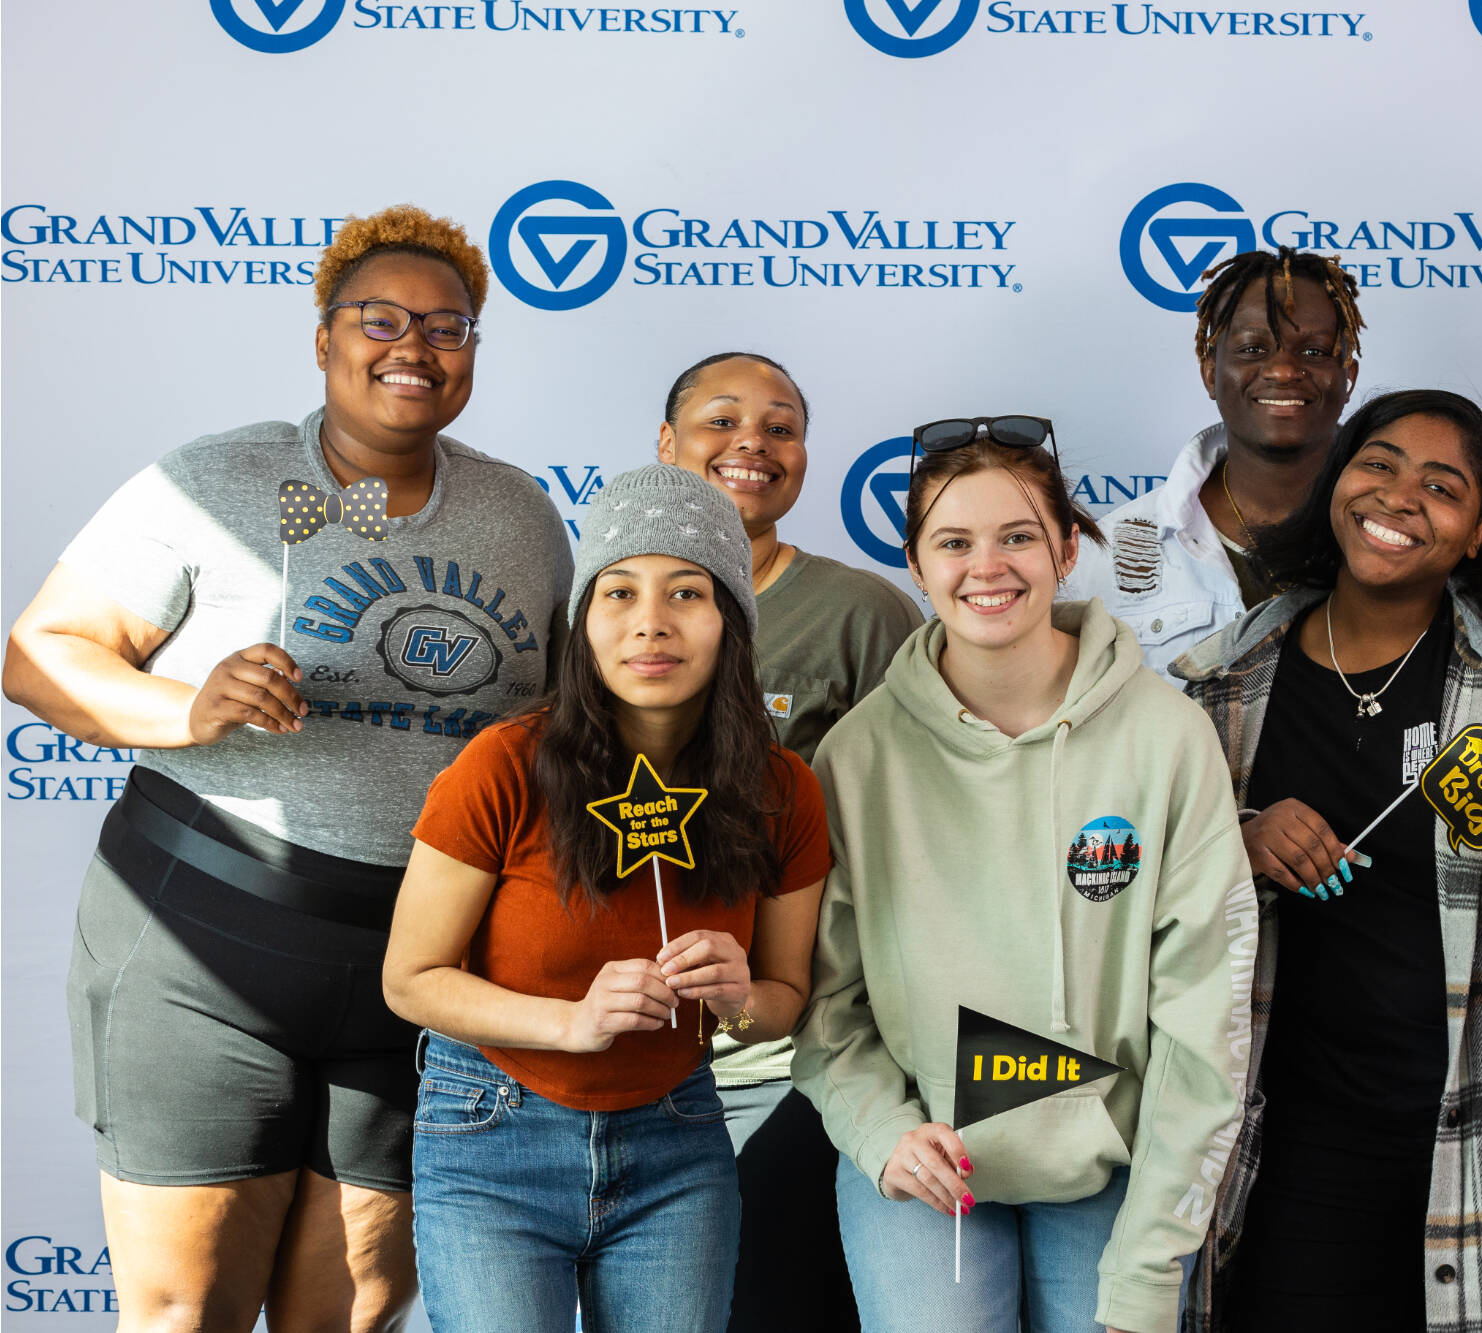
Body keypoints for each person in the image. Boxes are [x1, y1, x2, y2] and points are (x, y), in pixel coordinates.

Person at [0, 205, 569, 1332]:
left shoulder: (520, 513)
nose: (414, 345)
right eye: (380, 317)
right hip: (203, 945)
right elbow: (39, 657)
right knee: (184, 1317)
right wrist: (190, 705)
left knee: (352, 1318)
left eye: (448, 326)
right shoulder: (216, 478)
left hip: (419, 968)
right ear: (323, 337)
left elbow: (549, 730)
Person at [1177, 390, 1482, 1330]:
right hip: (1298, 1151)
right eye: (1378, 464)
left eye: (1441, 486)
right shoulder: (1226, 682)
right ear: (1337, 483)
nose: (1401, 496)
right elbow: (1154, 911)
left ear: (1481, 529)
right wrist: (1237, 840)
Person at [793, 416, 1254, 1333]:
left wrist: (1153, 1256)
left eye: (1018, 537)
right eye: (954, 542)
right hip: (926, 1158)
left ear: (1069, 550)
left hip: (1108, 1164)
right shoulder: (855, 755)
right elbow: (826, 1001)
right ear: (917, 568)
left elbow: (1204, 1022)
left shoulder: (1167, 737)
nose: (987, 567)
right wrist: (880, 1131)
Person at [382, 463, 830, 1332]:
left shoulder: (783, 789)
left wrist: (739, 999)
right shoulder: (504, 765)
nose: (650, 623)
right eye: (618, 592)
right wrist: (571, 1022)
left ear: (731, 619)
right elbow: (411, 979)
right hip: (491, 1133)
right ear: (584, 620)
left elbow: (783, 1001)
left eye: (687, 592)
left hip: (676, 1137)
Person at [656, 350, 921, 1332]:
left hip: (796, 1052)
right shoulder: (596, 610)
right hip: (632, 1053)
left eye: (778, 426)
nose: (751, 446)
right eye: (720, 420)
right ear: (665, 445)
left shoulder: (861, 613)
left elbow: (924, 821)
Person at [1068, 246, 1364, 681]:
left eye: (1315, 352)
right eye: (1252, 348)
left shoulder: (1396, 537)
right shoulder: (1113, 552)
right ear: (1210, 373)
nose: (1283, 370)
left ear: (1348, 377)